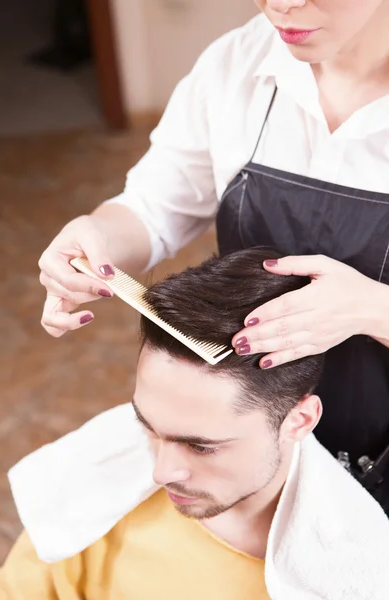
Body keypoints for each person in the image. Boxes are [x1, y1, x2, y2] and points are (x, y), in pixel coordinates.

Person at [37, 2, 389, 509]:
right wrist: (96, 235)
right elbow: (153, 207)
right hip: (256, 449)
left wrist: (370, 309)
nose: (283, 4)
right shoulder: (238, 64)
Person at [0, 249, 389, 600]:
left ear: (299, 421)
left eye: (200, 446)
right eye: (146, 425)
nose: (161, 472)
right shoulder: (98, 492)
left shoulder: (350, 576)